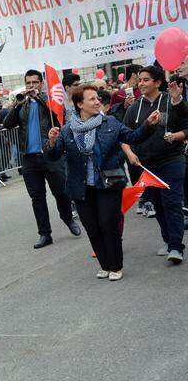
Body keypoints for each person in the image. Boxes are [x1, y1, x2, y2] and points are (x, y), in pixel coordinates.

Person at [46, 84, 161, 281]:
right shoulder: (66, 130)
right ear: (80, 104)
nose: (98, 101)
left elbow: (133, 137)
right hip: (80, 186)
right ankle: (105, 265)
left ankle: (116, 265)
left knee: (108, 224)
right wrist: (52, 142)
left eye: (97, 98)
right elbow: (54, 156)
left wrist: (148, 124)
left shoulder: (110, 122)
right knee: (92, 227)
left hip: (108, 183)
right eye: (92, 99)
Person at [3, 70, 81, 249]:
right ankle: (45, 234)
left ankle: (68, 219)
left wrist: (38, 97)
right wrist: (16, 105)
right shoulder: (22, 103)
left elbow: (57, 116)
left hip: (50, 154)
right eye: (28, 83)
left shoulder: (49, 100)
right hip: (29, 158)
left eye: (35, 82)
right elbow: (7, 124)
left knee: (61, 192)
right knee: (37, 197)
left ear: (41, 83)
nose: (31, 86)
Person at [122, 66, 188, 263]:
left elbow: (187, 126)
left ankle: (176, 247)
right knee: (158, 205)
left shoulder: (171, 100)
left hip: (172, 161)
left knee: (172, 203)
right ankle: (168, 241)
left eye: (145, 80)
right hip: (146, 165)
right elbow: (124, 137)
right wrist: (130, 153)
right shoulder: (134, 107)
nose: (140, 83)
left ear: (158, 82)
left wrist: (176, 135)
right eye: (139, 80)